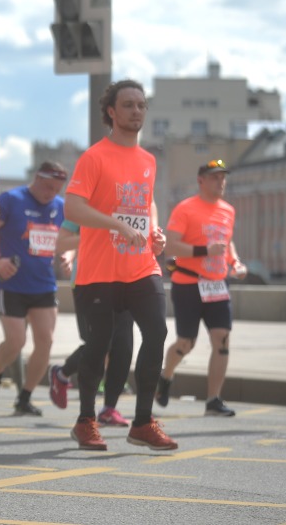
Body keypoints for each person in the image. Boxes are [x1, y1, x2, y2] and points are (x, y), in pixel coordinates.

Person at [63, 79, 175, 452]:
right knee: (98, 346)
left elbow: (147, 204)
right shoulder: (94, 157)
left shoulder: (148, 159)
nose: (137, 112)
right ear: (111, 111)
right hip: (100, 270)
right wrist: (117, 225)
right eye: (128, 105)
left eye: (141, 105)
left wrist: (154, 230)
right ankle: (85, 421)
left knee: (156, 332)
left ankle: (142, 422)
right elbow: (73, 208)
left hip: (141, 266)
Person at [156, 159, 248, 417]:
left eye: (223, 177)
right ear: (201, 181)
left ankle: (213, 400)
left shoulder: (228, 210)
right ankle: (166, 375)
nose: (221, 182)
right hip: (189, 283)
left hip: (218, 285)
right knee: (186, 343)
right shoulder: (186, 209)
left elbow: (227, 243)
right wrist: (204, 251)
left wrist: (236, 262)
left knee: (222, 340)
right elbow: (171, 246)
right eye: (215, 177)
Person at [0, 161, 68, 416]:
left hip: (43, 284)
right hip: (11, 283)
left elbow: (70, 238)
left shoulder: (60, 207)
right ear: (36, 178)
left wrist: (68, 257)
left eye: (57, 189)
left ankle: (25, 397)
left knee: (46, 341)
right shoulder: (12, 199)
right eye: (48, 186)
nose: (50, 193)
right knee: (16, 341)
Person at [48, 219, 134, 427]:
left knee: (123, 345)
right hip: (91, 280)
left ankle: (109, 408)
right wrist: (70, 255)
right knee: (100, 343)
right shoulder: (86, 199)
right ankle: (62, 374)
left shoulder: (135, 198)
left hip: (127, 279)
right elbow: (63, 242)